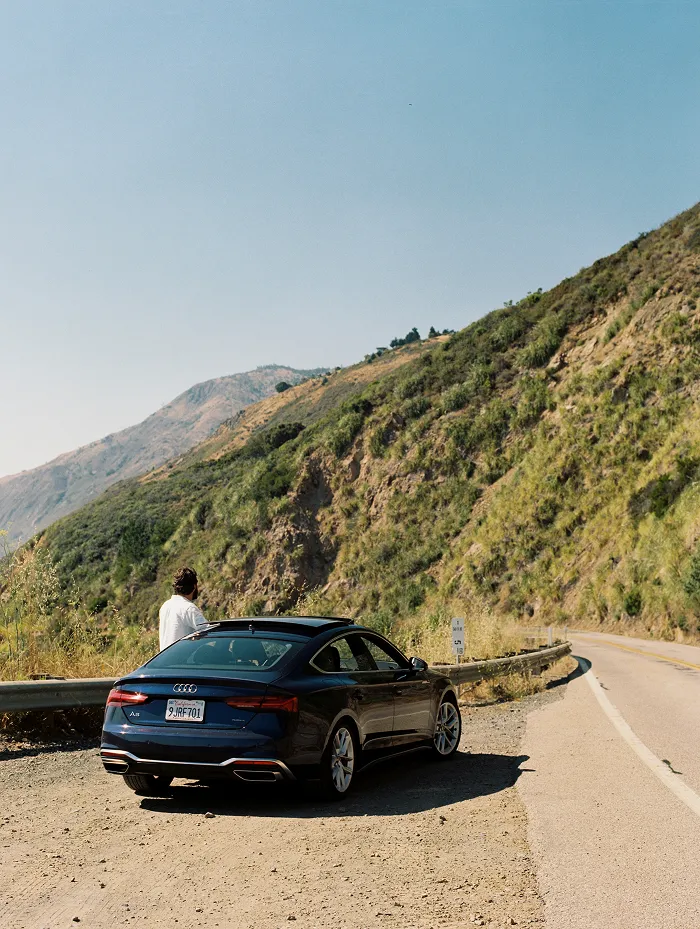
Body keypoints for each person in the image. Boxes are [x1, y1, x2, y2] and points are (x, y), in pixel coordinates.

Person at [158, 566, 208, 651]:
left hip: (164, 660)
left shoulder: (165, 606)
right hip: (182, 662)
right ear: (194, 586)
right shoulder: (189, 608)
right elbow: (209, 631)